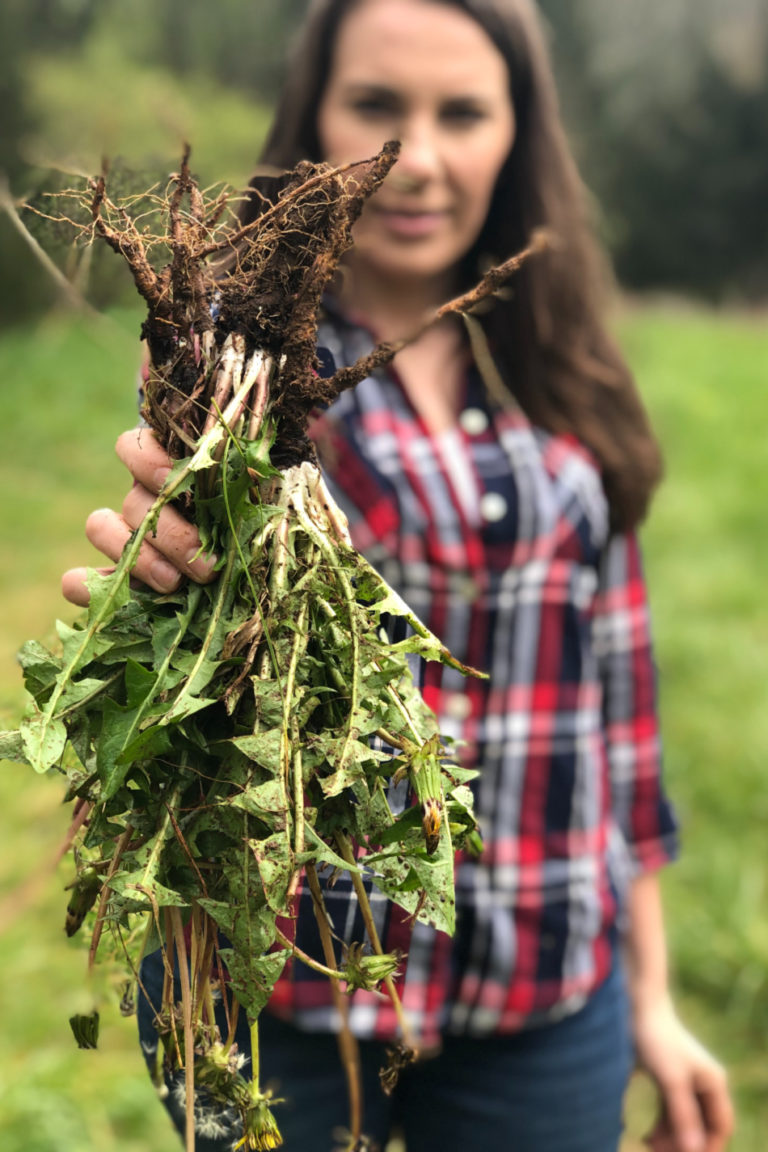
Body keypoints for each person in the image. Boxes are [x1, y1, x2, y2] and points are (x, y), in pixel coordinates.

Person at [62, 2, 735, 1150]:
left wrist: (653, 1000)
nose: (417, 159)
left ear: (517, 134)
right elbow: (179, 589)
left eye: (462, 113)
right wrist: (160, 586)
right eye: (378, 107)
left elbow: (617, 706)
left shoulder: (556, 353)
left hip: (545, 984)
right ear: (316, 119)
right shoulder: (238, 356)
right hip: (280, 990)